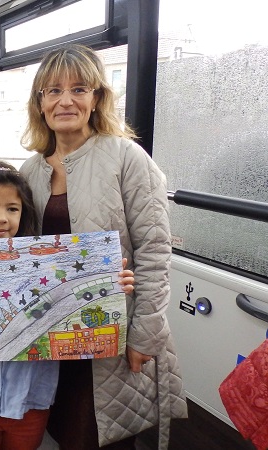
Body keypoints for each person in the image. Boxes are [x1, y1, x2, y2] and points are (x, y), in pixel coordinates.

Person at [18, 44, 186, 450]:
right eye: (52, 91)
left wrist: (145, 334)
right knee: (63, 432)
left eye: (79, 89)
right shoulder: (30, 170)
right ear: (40, 103)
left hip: (114, 333)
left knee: (102, 436)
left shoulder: (126, 157)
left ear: (96, 98)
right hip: (53, 336)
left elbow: (154, 250)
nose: (65, 100)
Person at [0, 161, 135, 450]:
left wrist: (110, 284)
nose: (2, 218)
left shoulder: (47, 261)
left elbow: (84, 304)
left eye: (12, 208)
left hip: (31, 401)